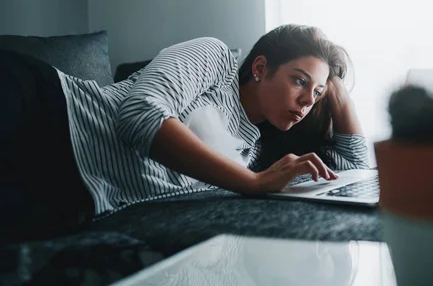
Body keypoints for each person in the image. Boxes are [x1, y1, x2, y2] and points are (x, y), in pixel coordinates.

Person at [0, 24, 369, 242]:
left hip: (72, 195)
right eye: (299, 81)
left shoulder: (258, 150)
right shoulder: (214, 58)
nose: (307, 101)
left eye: (316, 94)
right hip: (46, 109)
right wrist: (251, 183)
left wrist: (332, 86)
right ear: (260, 67)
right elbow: (139, 114)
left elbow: (354, 165)